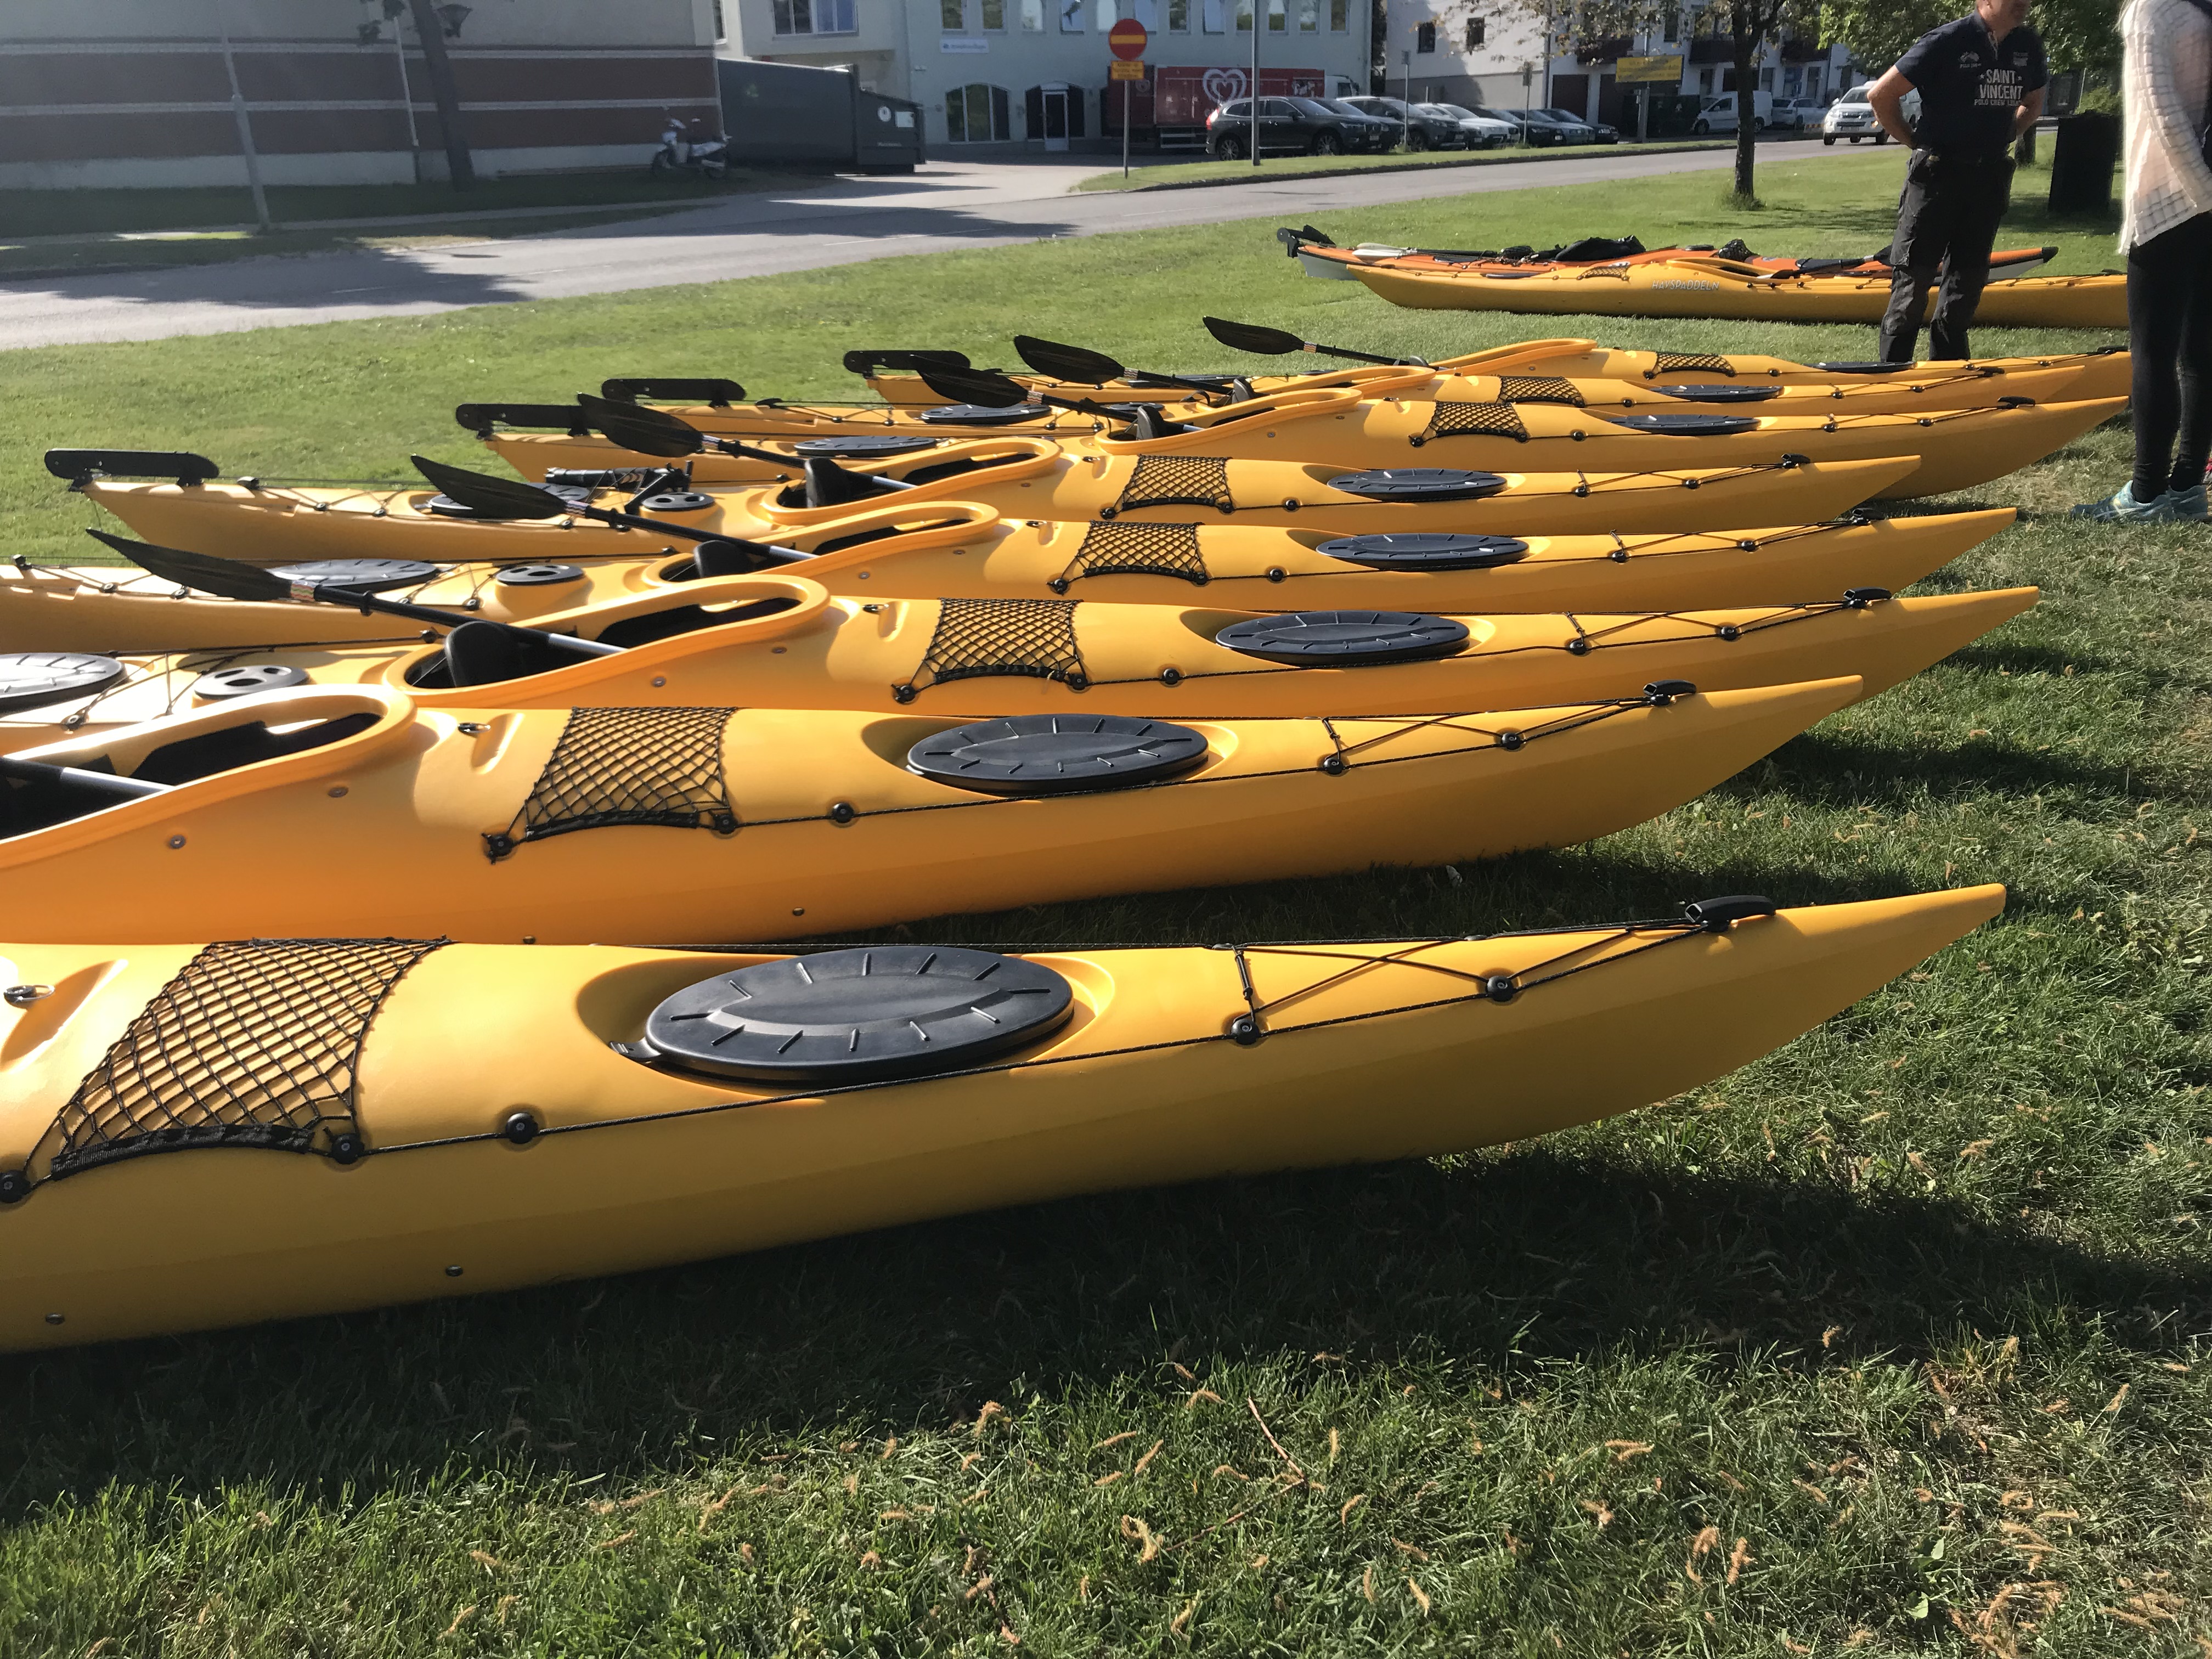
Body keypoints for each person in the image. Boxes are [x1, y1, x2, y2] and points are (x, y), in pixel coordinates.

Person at [2073, 0, 2212, 523]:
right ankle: (2188, 486)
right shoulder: (2202, 12)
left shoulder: (2151, 9)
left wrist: (2203, 192)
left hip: (2169, 204)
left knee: (2152, 350)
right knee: (2200, 352)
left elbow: (2163, 111)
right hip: (2203, 206)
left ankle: (2149, 492)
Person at [1867, 0, 2046, 363]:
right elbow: (1881, 95)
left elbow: (2034, 101)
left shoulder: (2028, 45)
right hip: (1937, 177)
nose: (2023, 5)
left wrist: (2007, 134)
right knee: (1914, 279)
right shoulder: (1947, 41)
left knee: (1967, 280)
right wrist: (1915, 141)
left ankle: (1948, 374)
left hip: (1988, 178)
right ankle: (1892, 376)